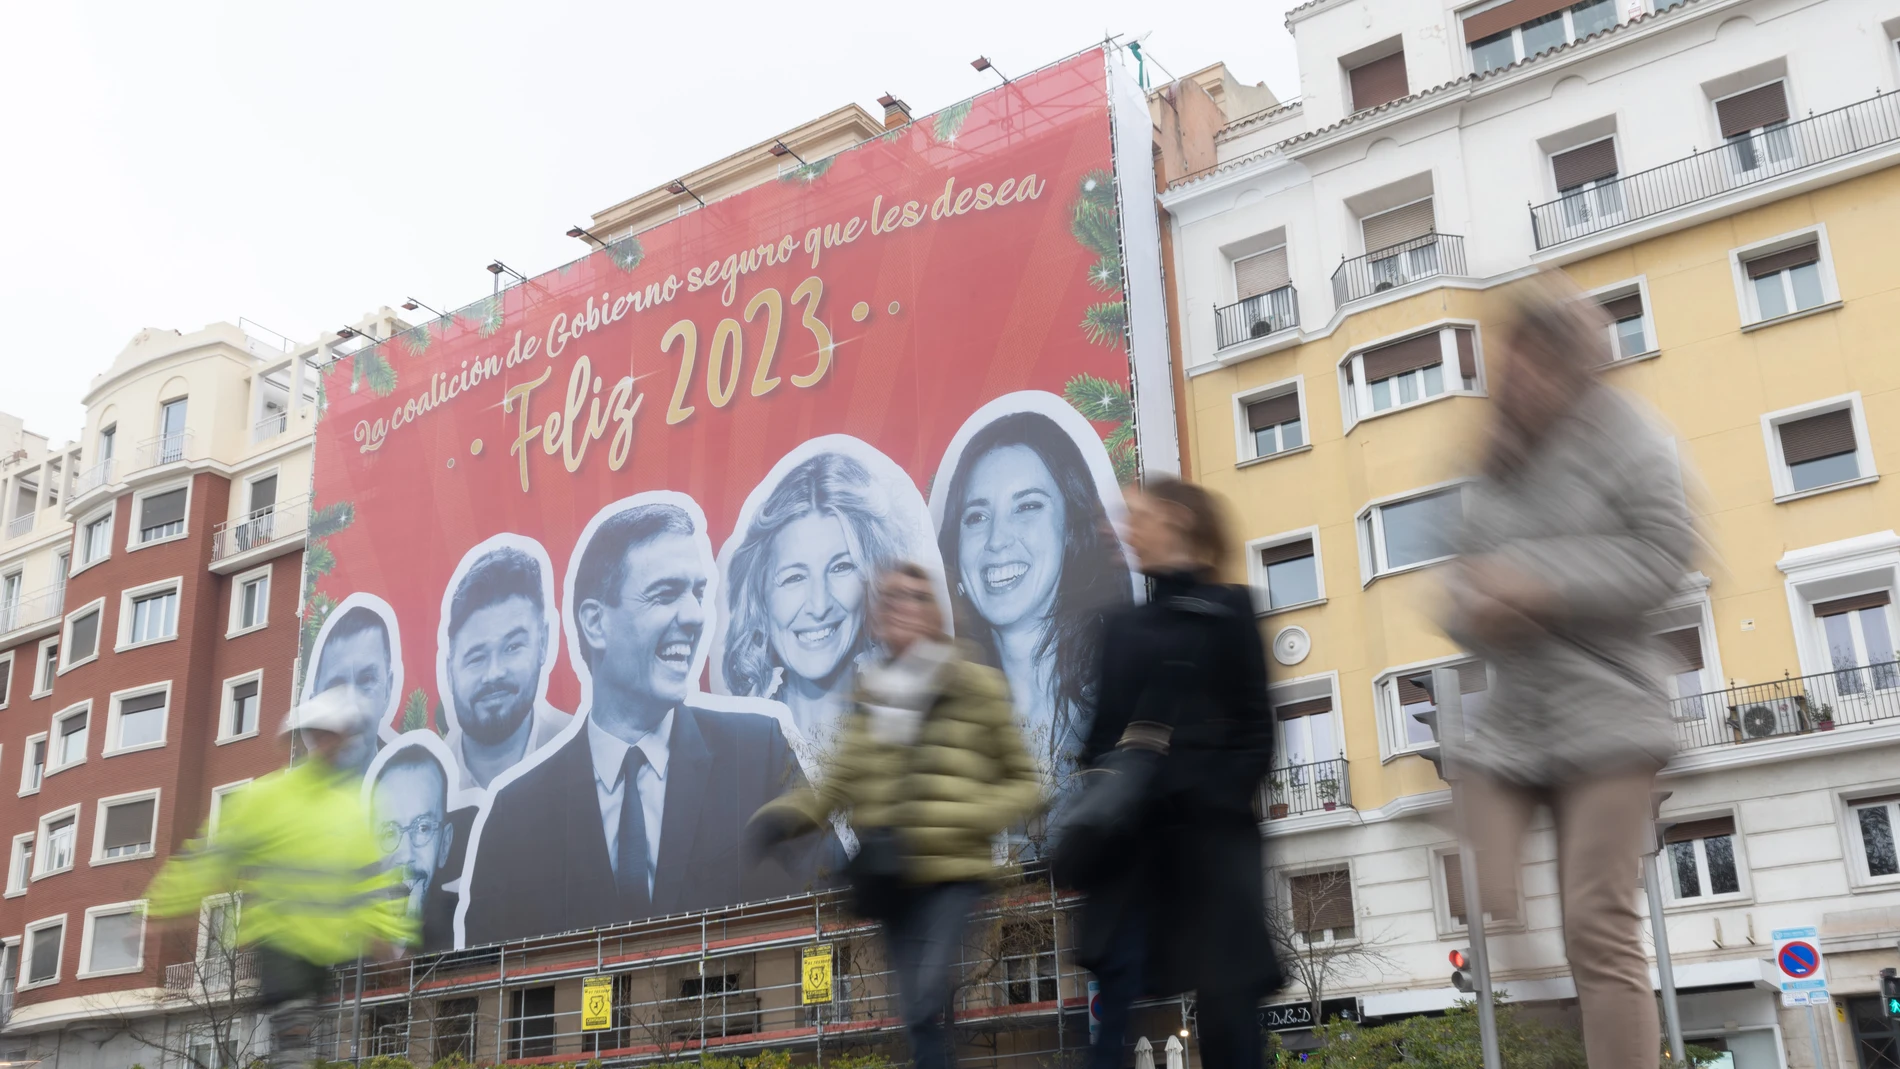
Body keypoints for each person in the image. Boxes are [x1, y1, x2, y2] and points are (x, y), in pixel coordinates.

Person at [1441, 274, 1696, 1069]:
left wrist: (1541, 581)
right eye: (1504, 362)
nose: (1515, 378)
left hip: (1612, 711)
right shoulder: (1494, 460)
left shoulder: (1630, 436)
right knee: (1481, 889)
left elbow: (1666, 557)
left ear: (1571, 361)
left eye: (1533, 360)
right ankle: (1520, 964)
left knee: (1598, 921)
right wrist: (1474, 608)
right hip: (1517, 718)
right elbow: (1461, 584)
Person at [462, 499, 837, 944]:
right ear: (596, 623)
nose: (695, 615)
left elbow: (835, 913)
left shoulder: (759, 756)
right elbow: (486, 992)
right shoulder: (513, 817)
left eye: (697, 592)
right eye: (665, 594)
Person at [749, 562, 1042, 1069]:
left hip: (954, 874)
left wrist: (967, 816)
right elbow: (839, 781)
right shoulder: (872, 692)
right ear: (877, 617)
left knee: (928, 994)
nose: (900, 610)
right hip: (892, 878)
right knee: (918, 1018)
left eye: (913, 598)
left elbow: (1025, 783)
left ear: (932, 611)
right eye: (889, 601)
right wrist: (783, 816)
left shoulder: (975, 684)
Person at [1074, 477, 1278, 1069]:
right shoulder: (1120, 628)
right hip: (1136, 850)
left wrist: (1213, 797)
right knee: (1115, 1012)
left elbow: (1256, 731)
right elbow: (1097, 740)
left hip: (1213, 843)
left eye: (1137, 516)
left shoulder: (1231, 610)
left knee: (1229, 1014)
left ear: (1176, 518)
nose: (1126, 531)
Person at [147, 686, 413, 1068]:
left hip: (321, 948)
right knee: (294, 1027)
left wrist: (384, 938)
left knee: (300, 1040)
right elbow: (213, 856)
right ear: (308, 740)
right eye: (320, 737)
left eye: (335, 739)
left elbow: (370, 883)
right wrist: (166, 906)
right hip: (277, 937)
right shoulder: (268, 798)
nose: (328, 747)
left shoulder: (350, 811)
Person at [935, 410, 1131, 770]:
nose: (997, 540)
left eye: (1027, 506)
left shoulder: (1128, 690)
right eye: (976, 516)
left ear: (1071, 529)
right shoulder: (940, 727)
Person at [722, 451, 905, 744]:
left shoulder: (916, 732)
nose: (819, 606)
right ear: (760, 597)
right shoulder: (732, 747)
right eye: (794, 577)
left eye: (841, 567)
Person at [439, 541, 571, 789]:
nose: (494, 673)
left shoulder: (587, 754)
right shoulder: (427, 788)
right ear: (449, 671)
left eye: (512, 647)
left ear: (542, 642)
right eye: (476, 657)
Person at [369, 743, 458, 951]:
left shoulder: (469, 925)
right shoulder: (353, 941)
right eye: (389, 832)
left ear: (445, 844)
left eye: (423, 828)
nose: (406, 855)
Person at [308, 603, 398, 777]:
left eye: (366, 680)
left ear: (387, 690)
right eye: (336, 687)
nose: (352, 709)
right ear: (314, 703)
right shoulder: (288, 798)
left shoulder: (413, 792)